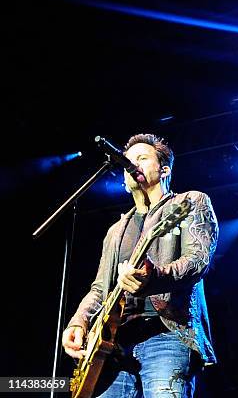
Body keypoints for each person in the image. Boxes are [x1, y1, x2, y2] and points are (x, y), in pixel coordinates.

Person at [62, 133, 218, 397]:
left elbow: (197, 261)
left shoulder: (189, 203)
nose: (132, 164)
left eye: (142, 158)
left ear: (164, 169)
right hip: (114, 346)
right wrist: (78, 322)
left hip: (166, 333)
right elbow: (100, 288)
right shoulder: (115, 231)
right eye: (128, 161)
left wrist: (153, 277)